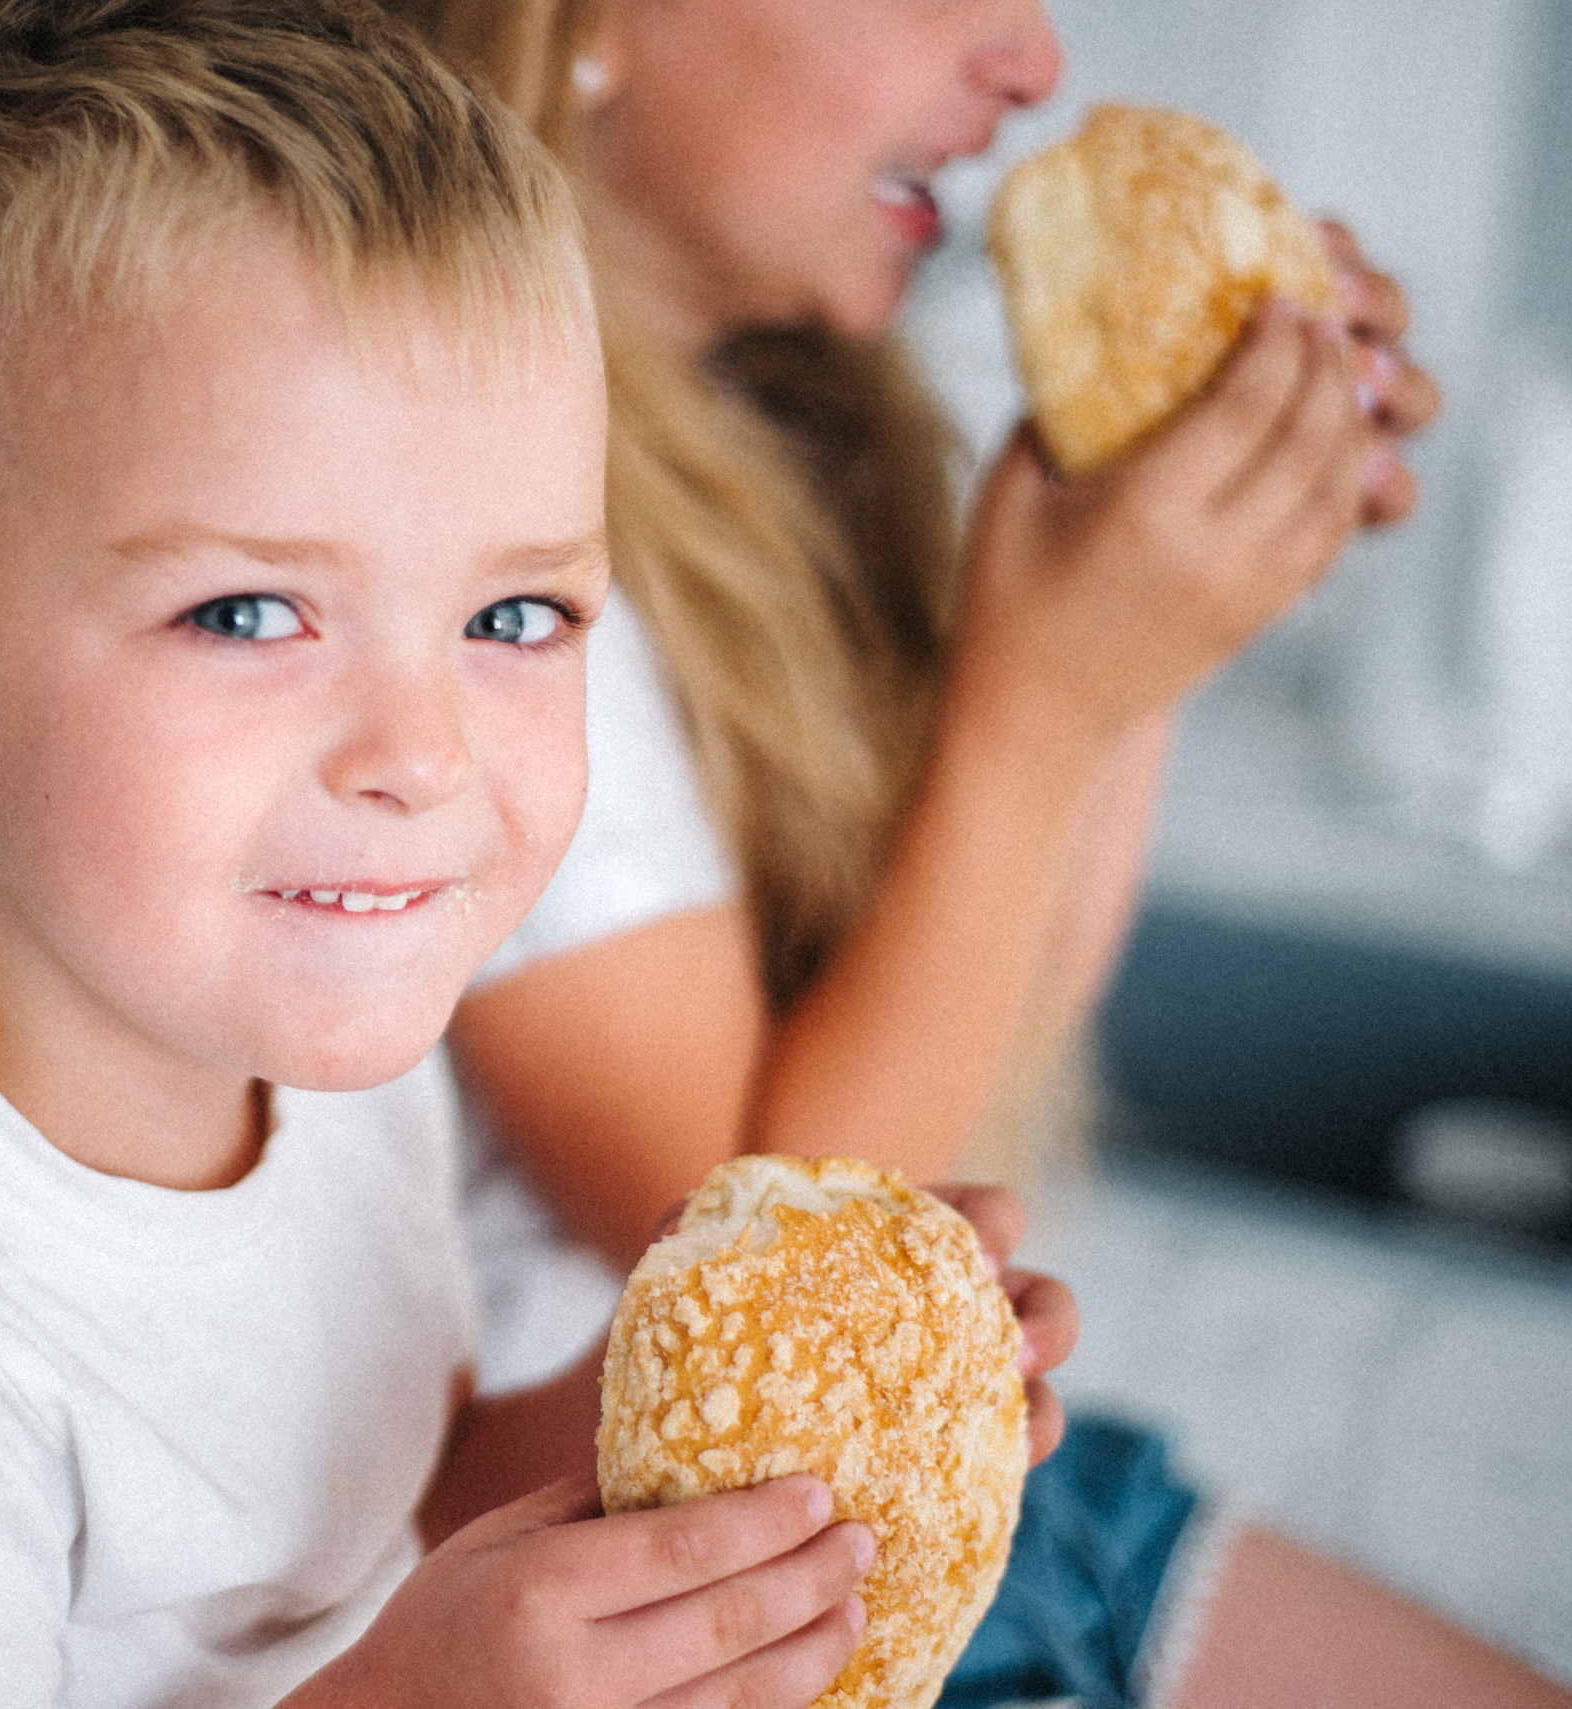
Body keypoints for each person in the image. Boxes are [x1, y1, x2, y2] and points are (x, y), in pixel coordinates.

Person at [0, 2, 1080, 1703]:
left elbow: (372, 1504)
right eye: (249, 612)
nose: (422, 756)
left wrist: (738, 1470)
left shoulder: (309, 1029)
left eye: (517, 612)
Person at [385, 0, 1572, 1705]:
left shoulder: (799, 440)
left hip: (966, 1513)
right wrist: (1039, 700)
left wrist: (1137, 608)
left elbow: (994, 1026)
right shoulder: (474, 570)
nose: (1030, 61)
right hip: (686, 1603)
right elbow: (772, 1271)